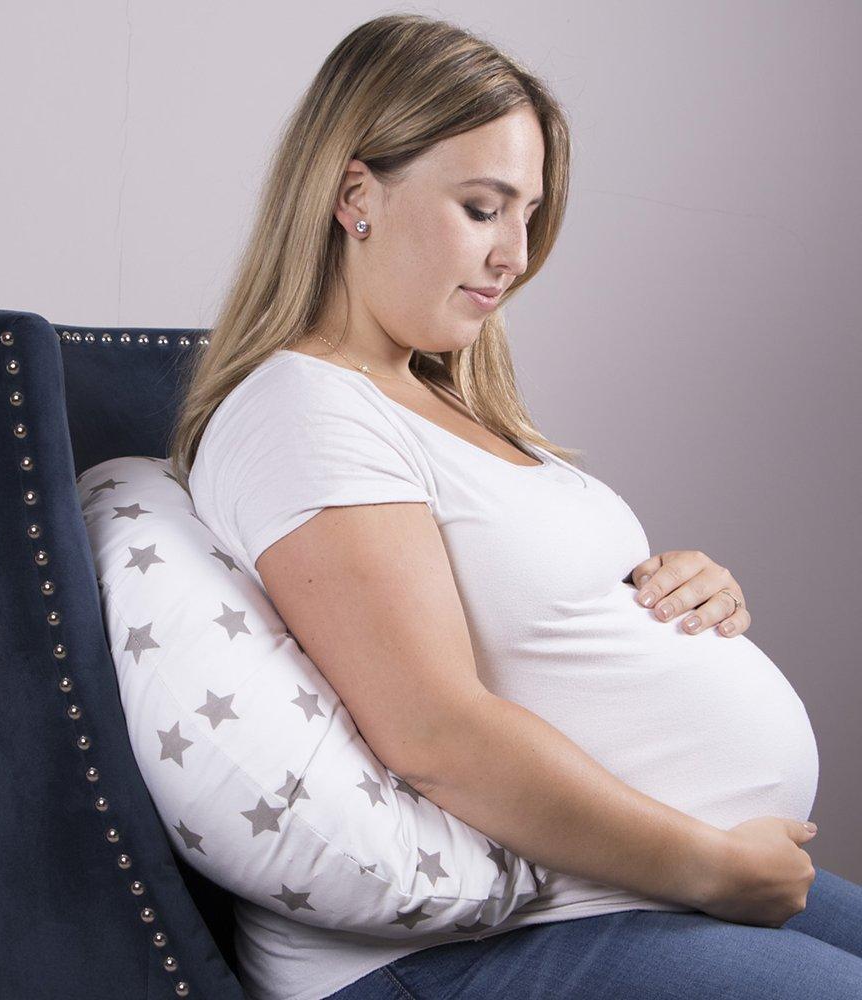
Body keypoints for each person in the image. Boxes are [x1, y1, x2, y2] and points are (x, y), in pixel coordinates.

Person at [169, 13, 862, 1000]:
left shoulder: (435, 397)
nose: (516, 254)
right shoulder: (304, 412)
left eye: (528, 215)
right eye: (483, 208)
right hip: (461, 953)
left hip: (616, 893)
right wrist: (711, 866)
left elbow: (528, 620)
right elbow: (435, 735)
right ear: (356, 196)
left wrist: (676, 592)